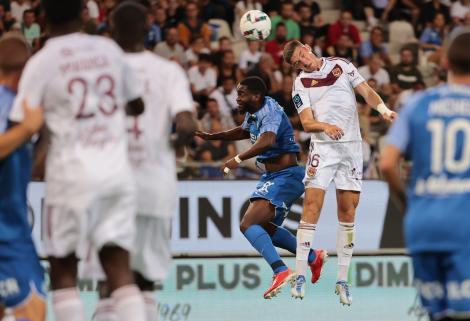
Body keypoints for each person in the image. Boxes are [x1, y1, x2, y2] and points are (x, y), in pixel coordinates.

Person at [8, 1, 148, 321]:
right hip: (116, 170)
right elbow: (137, 104)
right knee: (117, 264)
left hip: (70, 173)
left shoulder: (41, 62)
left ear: (43, 19)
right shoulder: (109, 49)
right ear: (84, 14)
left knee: (62, 266)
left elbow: (22, 123)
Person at [87, 3, 197, 321]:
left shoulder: (100, 71)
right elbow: (187, 124)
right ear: (149, 28)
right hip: (154, 184)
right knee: (145, 281)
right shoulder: (168, 71)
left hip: (108, 184)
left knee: (110, 279)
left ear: (112, 29)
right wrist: (170, 144)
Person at [282, 40, 396, 304]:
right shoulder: (300, 83)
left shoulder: (341, 65)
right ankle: (300, 275)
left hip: (352, 149)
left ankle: (342, 280)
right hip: (324, 149)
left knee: (348, 211)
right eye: (297, 63)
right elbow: (307, 122)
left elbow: (366, 91)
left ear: (308, 47)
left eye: (302, 56)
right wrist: (326, 126)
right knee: (312, 206)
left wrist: (384, 109)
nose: (303, 63)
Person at [195, 76, 327, 299]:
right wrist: (211, 136)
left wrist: (235, 159)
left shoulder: (270, 111)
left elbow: (267, 140)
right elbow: (243, 131)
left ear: (256, 96)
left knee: (247, 224)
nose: (237, 98)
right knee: (264, 229)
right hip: (273, 176)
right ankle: (314, 257)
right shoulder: (254, 110)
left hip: (286, 176)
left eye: (241, 94)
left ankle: (281, 270)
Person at [380, 30, 470, 321]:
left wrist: (410, 205)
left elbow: (387, 164)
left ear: (445, 63)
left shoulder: (418, 104)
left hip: (423, 227)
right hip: (467, 228)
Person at [0, 35, 45, 321]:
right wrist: (27, 129)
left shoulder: (19, 104)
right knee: (33, 308)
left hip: (12, 225)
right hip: (6, 236)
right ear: (24, 72)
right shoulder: (5, 102)